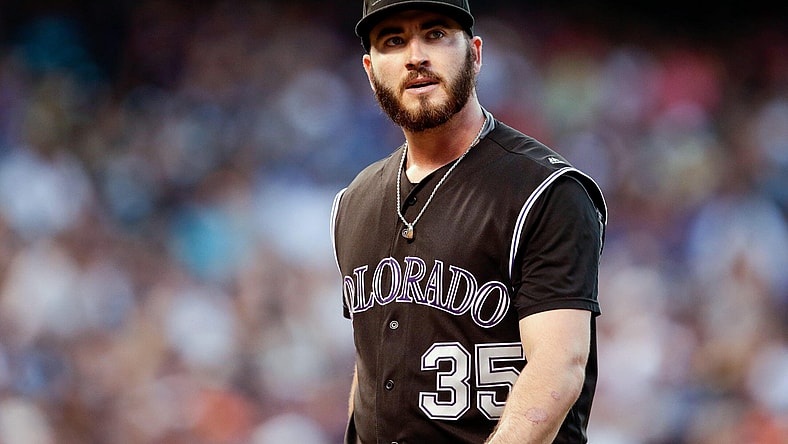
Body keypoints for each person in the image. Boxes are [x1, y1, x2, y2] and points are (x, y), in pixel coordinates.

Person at [330, 1, 607, 442]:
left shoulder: (546, 190)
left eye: (435, 34)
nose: (415, 55)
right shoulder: (354, 202)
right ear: (370, 68)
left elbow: (558, 368)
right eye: (394, 41)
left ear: (475, 54)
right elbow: (369, 370)